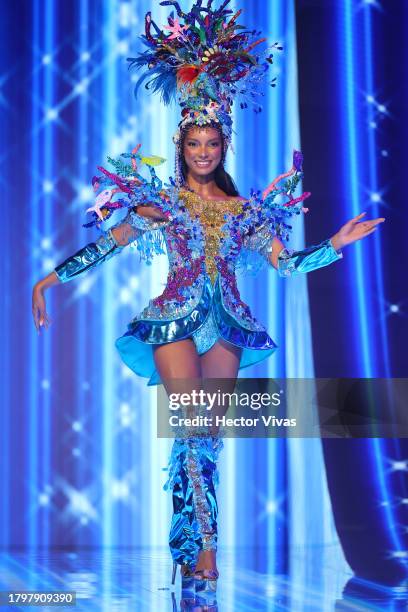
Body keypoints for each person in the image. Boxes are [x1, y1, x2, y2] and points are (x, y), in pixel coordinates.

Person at [31, 0, 384, 597]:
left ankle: (187, 546)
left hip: (228, 327)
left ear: (223, 148)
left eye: (211, 143)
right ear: (182, 147)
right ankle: (207, 554)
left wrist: (335, 244)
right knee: (191, 424)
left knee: (204, 438)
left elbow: (287, 265)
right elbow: (110, 244)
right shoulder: (161, 201)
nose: (202, 152)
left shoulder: (247, 212)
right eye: (193, 143)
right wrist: (48, 280)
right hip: (173, 321)